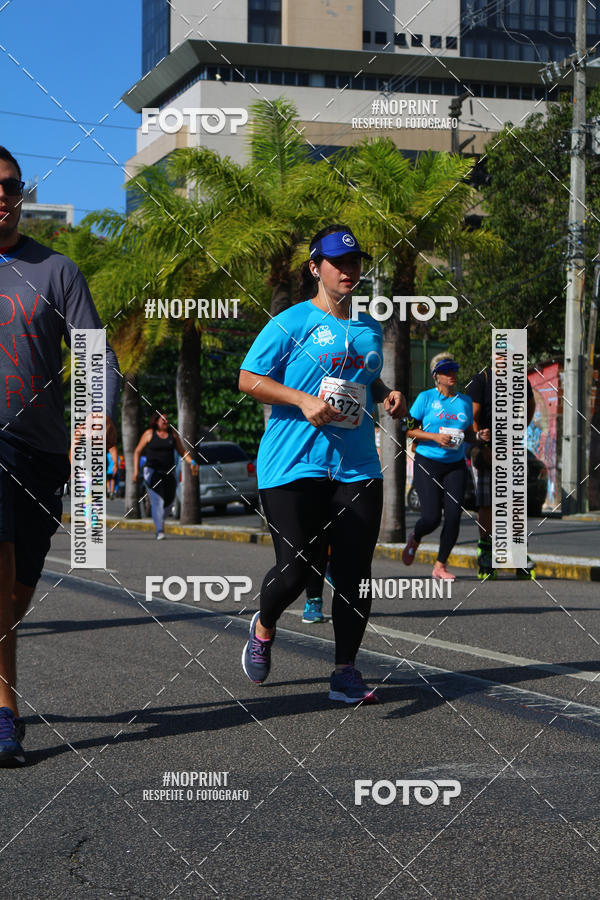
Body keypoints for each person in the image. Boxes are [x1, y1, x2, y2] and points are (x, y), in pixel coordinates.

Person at [238, 224, 407, 703]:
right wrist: (301, 399)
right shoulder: (289, 323)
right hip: (293, 464)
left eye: (354, 263)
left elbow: (364, 378)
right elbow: (248, 379)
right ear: (315, 268)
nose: (349, 270)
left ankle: (345, 672)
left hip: (355, 467)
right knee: (294, 572)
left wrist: (386, 394)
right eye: (338, 263)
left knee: (354, 573)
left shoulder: (368, 326)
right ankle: (264, 624)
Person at [0, 147, 120, 766]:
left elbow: (95, 358)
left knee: (17, 591)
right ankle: (5, 712)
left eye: (10, 185)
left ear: (22, 192)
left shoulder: (56, 271)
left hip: (44, 452)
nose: (1, 194)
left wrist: (93, 423)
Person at [402, 352, 478, 580]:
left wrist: (479, 435)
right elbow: (408, 429)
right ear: (436, 376)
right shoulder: (425, 398)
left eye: (454, 370)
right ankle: (416, 536)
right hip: (428, 462)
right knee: (432, 517)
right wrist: (435, 437)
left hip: (455, 465)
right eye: (447, 372)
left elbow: (469, 433)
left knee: (454, 517)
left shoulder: (464, 401)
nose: (452, 375)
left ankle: (440, 565)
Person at [466, 365, 536, 579]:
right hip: (486, 448)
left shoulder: (519, 381)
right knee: (488, 502)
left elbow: (530, 406)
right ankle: (487, 551)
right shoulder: (481, 380)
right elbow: (472, 416)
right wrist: (482, 443)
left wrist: (519, 429)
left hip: (510, 448)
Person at [132, 413, 198, 539]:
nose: (165, 421)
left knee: (170, 502)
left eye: (167, 419)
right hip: (152, 472)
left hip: (168, 472)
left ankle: (160, 520)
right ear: (156, 421)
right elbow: (137, 451)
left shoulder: (173, 435)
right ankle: (160, 530)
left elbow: (182, 451)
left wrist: (192, 461)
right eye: (162, 419)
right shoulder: (149, 434)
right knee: (158, 500)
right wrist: (135, 471)